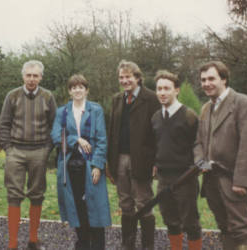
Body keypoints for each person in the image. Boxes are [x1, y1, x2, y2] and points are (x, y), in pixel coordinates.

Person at [193, 61, 247, 250]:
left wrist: (242, 180)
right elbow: (199, 141)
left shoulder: (243, 103)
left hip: (234, 181)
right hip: (211, 180)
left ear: (223, 79)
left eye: (211, 79)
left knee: (240, 230)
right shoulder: (206, 108)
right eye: (203, 80)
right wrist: (200, 162)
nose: (206, 83)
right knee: (224, 228)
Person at [0, 60, 57, 250]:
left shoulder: (48, 97)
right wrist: (7, 148)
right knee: (13, 195)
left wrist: (47, 149)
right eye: (28, 75)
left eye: (35, 75)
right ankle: (13, 243)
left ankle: (33, 239)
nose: (32, 79)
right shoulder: (12, 96)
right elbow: (4, 124)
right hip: (16, 151)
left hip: (39, 151)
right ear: (23, 76)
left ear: (41, 77)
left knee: (37, 194)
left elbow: (54, 126)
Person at [51, 74, 111, 250]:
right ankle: (83, 243)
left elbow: (101, 140)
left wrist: (98, 166)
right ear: (69, 91)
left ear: (86, 90)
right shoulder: (62, 112)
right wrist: (76, 139)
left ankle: (98, 245)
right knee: (76, 204)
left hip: (90, 163)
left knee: (95, 204)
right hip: (70, 165)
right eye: (74, 87)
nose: (77, 90)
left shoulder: (95, 109)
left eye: (81, 87)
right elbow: (55, 136)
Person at [106, 60, 160, 250]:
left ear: (137, 77)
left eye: (128, 77)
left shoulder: (151, 99)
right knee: (125, 202)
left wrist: (156, 161)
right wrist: (109, 162)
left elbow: (158, 132)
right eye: (121, 77)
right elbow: (112, 131)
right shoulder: (117, 99)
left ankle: (147, 245)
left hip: (142, 159)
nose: (124, 81)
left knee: (143, 202)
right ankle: (128, 244)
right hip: (119, 158)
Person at [151, 70, 202, 250]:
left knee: (190, 222)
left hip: (185, 177)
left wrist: (198, 164)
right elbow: (156, 145)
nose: (162, 92)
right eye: (159, 89)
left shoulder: (189, 116)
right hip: (163, 178)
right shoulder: (156, 118)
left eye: (167, 88)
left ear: (177, 90)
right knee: (170, 219)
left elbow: (199, 144)